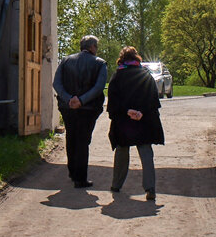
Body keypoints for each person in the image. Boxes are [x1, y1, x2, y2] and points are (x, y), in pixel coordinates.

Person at [106, 46, 165, 201]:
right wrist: (141, 112)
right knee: (146, 154)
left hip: (123, 121)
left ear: (122, 59)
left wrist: (127, 111)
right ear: (136, 58)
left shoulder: (117, 76)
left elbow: (112, 102)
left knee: (121, 152)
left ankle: (116, 184)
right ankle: (150, 188)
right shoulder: (145, 75)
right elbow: (153, 99)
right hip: (143, 121)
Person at [52, 35, 108, 188]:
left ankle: (72, 171)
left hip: (67, 107)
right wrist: (81, 100)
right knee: (83, 140)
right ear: (92, 47)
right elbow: (98, 87)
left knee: (71, 137)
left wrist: (69, 98)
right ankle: (80, 178)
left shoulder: (65, 61)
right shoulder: (100, 63)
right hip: (88, 108)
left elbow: (56, 83)